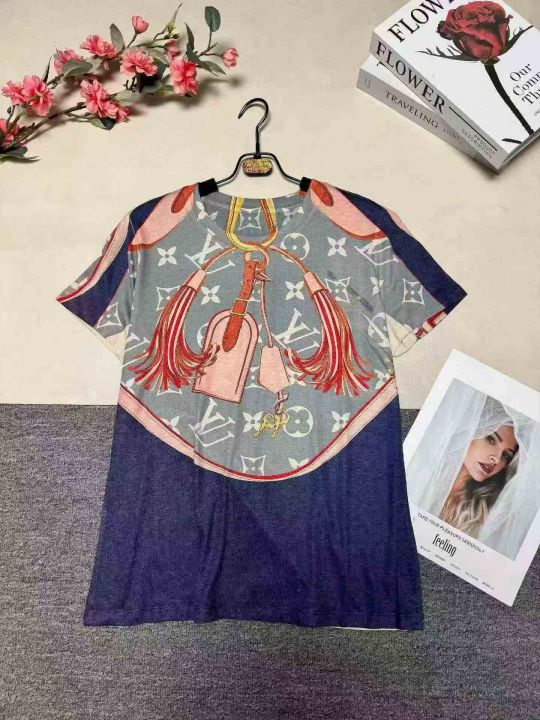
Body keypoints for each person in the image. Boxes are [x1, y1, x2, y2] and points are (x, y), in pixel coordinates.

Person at [407, 381, 539, 560]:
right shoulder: (422, 471)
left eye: (506, 455)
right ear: (472, 430)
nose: (496, 459)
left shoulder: (489, 515)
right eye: (491, 439)